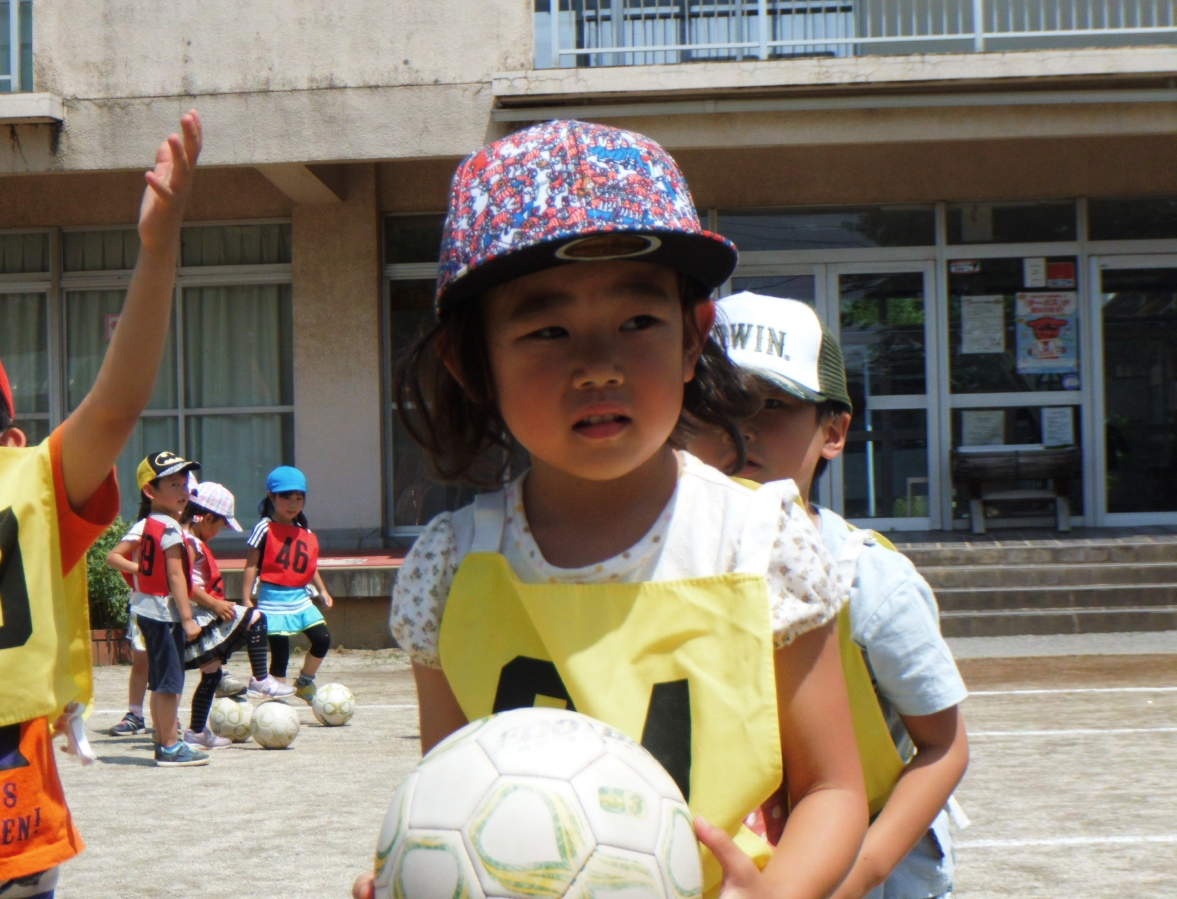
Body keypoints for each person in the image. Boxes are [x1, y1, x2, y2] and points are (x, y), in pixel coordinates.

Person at [355, 120, 869, 899]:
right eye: (548, 330)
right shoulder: (452, 569)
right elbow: (448, 793)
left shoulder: (759, 542)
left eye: (637, 323)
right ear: (472, 362)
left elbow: (833, 788)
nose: (598, 366)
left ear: (693, 338)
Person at [0, 111, 202, 898]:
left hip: (4, 838)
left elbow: (115, 403)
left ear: (6, 439)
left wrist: (158, 248)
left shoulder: (32, 484)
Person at [687, 293, 970, 899]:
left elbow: (944, 746)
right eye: (716, 405)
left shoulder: (871, 582)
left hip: (869, 869)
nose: (741, 429)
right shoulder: (668, 565)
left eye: (772, 405)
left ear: (834, 431)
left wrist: (861, 874)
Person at [105, 453, 209, 767]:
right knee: (169, 684)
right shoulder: (170, 528)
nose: (183, 490)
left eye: (185, 483)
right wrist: (188, 619)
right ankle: (170, 746)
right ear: (150, 491)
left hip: (146, 610)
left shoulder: (149, 523)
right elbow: (176, 576)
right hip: (165, 614)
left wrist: (143, 571)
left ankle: (163, 740)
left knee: (161, 681)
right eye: (174, 484)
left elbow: (115, 556)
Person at [181, 481, 295, 749]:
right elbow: (183, 585)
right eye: (220, 525)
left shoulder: (192, 540)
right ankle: (260, 680)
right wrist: (215, 604)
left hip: (204, 613)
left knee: (212, 674)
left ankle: (196, 732)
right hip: (198, 615)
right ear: (206, 517)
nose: (218, 532)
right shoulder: (188, 543)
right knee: (256, 618)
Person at [241, 466, 334, 705]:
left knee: (322, 638)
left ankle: (305, 681)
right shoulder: (264, 527)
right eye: (286, 497)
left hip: (300, 598)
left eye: (299, 498)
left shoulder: (304, 531)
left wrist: (322, 590)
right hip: (272, 600)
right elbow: (251, 564)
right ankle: (277, 707)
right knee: (280, 654)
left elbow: (309, 566)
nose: (293, 504)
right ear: (271, 497)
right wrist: (246, 599)